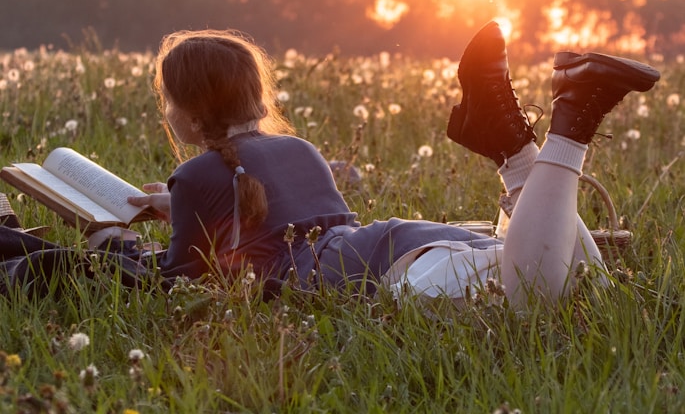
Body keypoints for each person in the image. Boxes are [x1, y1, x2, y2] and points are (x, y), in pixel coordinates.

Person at [0, 22, 660, 305]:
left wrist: (111, 237)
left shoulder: (201, 172)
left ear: (183, 112)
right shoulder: (294, 149)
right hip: (399, 244)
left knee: (537, 296)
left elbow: (183, 279)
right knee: (578, 287)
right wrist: (183, 207)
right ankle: (513, 150)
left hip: (380, 278)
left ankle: (572, 119)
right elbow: (289, 220)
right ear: (256, 92)